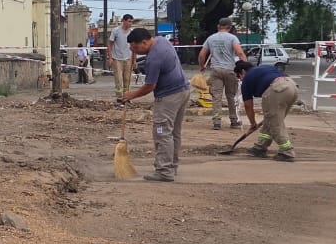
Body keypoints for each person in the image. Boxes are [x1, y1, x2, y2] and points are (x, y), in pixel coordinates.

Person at [119, 27, 190, 182]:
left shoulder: (154, 58)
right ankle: (171, 166)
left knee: (162, 132)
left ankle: (164, 171)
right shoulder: (161, 41)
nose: (134, 51)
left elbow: (150, 86)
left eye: (135, 48)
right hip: (183, 91)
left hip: (168, 97)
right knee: (174, 132)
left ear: (144, 42)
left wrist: (132, 95)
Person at [233, 59, 298, 160]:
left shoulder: (247, 78)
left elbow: (248, 105)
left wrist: (252, 123)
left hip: (277, 88)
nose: (240, 80)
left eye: (239, 76)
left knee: (274, 123)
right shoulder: (264, 68)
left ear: (243, 71)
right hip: (292, 86)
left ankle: (287, 151)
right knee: (270, 120)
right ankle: (260, 147)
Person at [199, 17, 248, 131]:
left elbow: (202, 55)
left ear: (218, 26)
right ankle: (234, 121)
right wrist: (246, 68)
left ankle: (217, 122)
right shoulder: (232, 38)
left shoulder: (211, 38)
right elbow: (240, 53)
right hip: (230, 70)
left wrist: (202, 66)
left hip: (216, 70)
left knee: (216, 97)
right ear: (229, 27)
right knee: (231, 96)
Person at [106, 15, 135, 99]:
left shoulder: (132, 32)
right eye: (129, 21)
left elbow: (134, 46)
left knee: (127, 79)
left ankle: (126, 97)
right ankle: (119, 97)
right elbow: (110, 44)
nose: (130, 23)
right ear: (124, 21)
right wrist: (110, 57)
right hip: (117, 59)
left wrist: (134, 60)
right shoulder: (116, 31)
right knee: (118, 79)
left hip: (128, 58)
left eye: (131, 22)